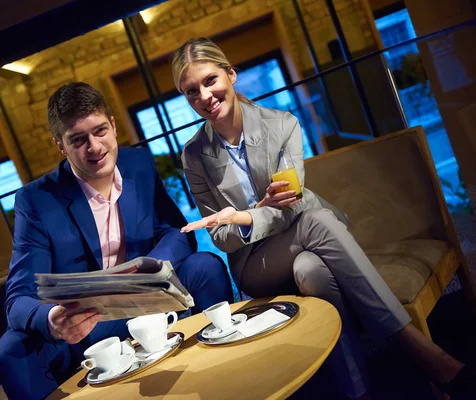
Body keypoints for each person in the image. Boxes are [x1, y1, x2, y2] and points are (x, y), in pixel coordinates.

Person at [171, 37, 474, 399]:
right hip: (256, 263)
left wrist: (245, 217)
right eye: (191, 92)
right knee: (320, 222)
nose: (204, 96)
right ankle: (416, 346)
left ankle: (359, 388)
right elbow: (221, 238)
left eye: (210, 81)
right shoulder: (194, 155)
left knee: (311, 269)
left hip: (305, 237)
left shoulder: (282, 125)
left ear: (231, 75)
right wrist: (254, 216)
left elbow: (293, 205)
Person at [0, 82, 233, 400]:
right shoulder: (35, 200)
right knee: (10, 351)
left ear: (114, 126)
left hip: (146, 299)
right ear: (60, 146)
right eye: (78, 140)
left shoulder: (139, 164)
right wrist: (55, 320)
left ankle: (227, 374)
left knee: (206, 265)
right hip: (88, 323)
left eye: (100, 131)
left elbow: (175, 231)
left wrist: (149, 269)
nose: (94, 147)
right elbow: (18, 298)